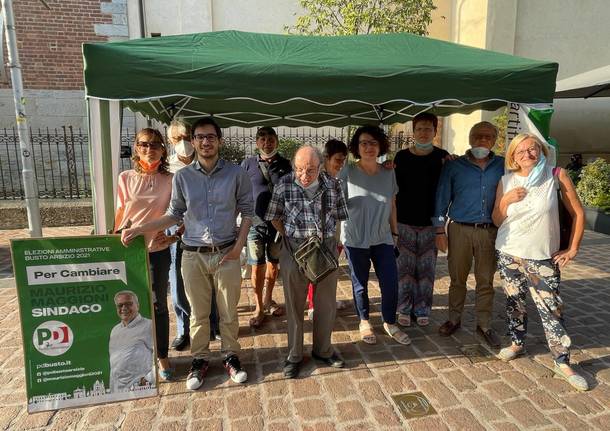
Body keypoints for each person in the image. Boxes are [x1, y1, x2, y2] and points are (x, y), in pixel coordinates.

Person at [121, 117, 253, 391]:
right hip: (193, 255)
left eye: (211, 137)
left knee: (228, 312)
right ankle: (200, 359)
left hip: (227, 251)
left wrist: (240, 246)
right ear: (193, 142)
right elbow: (173, 215)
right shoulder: (182, 177)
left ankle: (230, 356)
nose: (206, 142)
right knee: (198, 313)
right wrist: (140, 229)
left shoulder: (236, 174)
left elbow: (248, 211)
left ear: (220, 141)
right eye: (200, 137)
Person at [492, 133, 588, 391]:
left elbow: (578, 213)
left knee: (551, 309)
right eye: (520, 151)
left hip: (542, 255)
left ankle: (562, 360)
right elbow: (497, 220)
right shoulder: (506, 180)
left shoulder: (556, 175)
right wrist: (505, 201)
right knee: (515, 303)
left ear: (542, 152)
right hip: (509, 252)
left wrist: (573, 248)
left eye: (532, 149)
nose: (527, 155)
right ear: (513, 156)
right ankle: (517, 342)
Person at [265, 146, 348, 378]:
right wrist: (289, 238)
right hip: (293, 248)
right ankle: (294, 355)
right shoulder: (284, 183)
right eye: (300, 169)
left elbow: (340, 217)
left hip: (325, 248)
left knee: (326, 304)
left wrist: (335, 245)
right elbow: (274, 217)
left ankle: (323, 350)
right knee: (294, 304)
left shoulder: (334, 185)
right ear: (294, 166)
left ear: (320, 167)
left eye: (310, 170)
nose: (304, 175)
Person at [434, 121, 504, 348]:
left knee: (485, 281)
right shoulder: (454, 166)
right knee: (457, 279)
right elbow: (442, 197)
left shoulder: (503, 166)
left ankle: (484, 324)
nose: (482, 141)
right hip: (459, 230)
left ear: (494, 140)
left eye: (487, 137)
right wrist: (439, 229)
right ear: (470, 139)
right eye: (477, 136)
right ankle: (454, 319)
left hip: (489, 232)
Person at [340, 125, 410, 346]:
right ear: (356, 147)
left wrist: (395, 232)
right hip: (355, 238)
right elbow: (337, 205)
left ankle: (390, 322)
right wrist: (337, 238)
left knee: (390, 282)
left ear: (380, 146)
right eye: (363, 143)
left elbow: (392, 204)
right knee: (359, 283)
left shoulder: (389, 171)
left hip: (382, 238)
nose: (368, 147)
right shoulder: (348, 171)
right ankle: (364, 321)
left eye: (373, 143)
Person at [114, 128, 174, 379]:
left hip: (157, 252)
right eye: (144, 144)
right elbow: (119, 216)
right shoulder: (125, 178)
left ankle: (162, 356)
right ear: (136, 148)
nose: (149, 149)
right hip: (130, 252)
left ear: (163, 149)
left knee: (158, 305)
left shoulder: (171, 179)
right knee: (129, 306)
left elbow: (180, 214)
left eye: (155, 145)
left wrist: (172, 236)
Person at [165, 119, 220, 350]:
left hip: (202, 235)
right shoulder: (166, 168)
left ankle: (213, 325)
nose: (185, 143)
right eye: (178, 138)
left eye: (188, 137)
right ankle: (183, 328)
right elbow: (169, 209)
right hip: (173, 234)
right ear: (171, 141)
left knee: (210, 283)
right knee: (178, 284)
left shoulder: (208, 166)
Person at [395, 113, 449, 328]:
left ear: (435, 132)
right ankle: (404, 309)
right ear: (413, 131)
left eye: (428, 129)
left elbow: (445, 192)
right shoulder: (401, 157)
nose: (423, 133)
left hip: (430, 224)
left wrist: (440, 227)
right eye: (419, 129)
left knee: (426, 270)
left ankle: (422, 308)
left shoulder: (443, 157)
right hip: (404, 222)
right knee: (405, 270)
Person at [241, 126, 291, 328]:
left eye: (270, 139)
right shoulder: (247, 164)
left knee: (273, 266)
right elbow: (240, 193)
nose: (266, 142)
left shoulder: (286, 165)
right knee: (256, 267)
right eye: (262, 139)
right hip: (254, 225)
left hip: (277, 227)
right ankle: (258, 306)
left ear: (276, 141)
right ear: (256, 142)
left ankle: (269, 299)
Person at [307, 139, 349, 320]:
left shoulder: (338, 178)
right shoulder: (315, 179)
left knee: (330, 269)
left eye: (343, 160)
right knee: (315, 270)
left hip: (335, 232)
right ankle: (313, 305)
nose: (341, 164)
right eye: (338, 160)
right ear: (326, 158)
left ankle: (328, 301)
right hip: (316, 235)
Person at [109, 291, 155, 392]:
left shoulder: (149, 325)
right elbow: (114, 364)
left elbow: (159, 354)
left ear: (137, 306)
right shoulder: (115, 330)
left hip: (140, 388)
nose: (124, 308)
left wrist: (150, 378)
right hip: (117, 390)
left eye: (129, 304)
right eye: (120, 305)